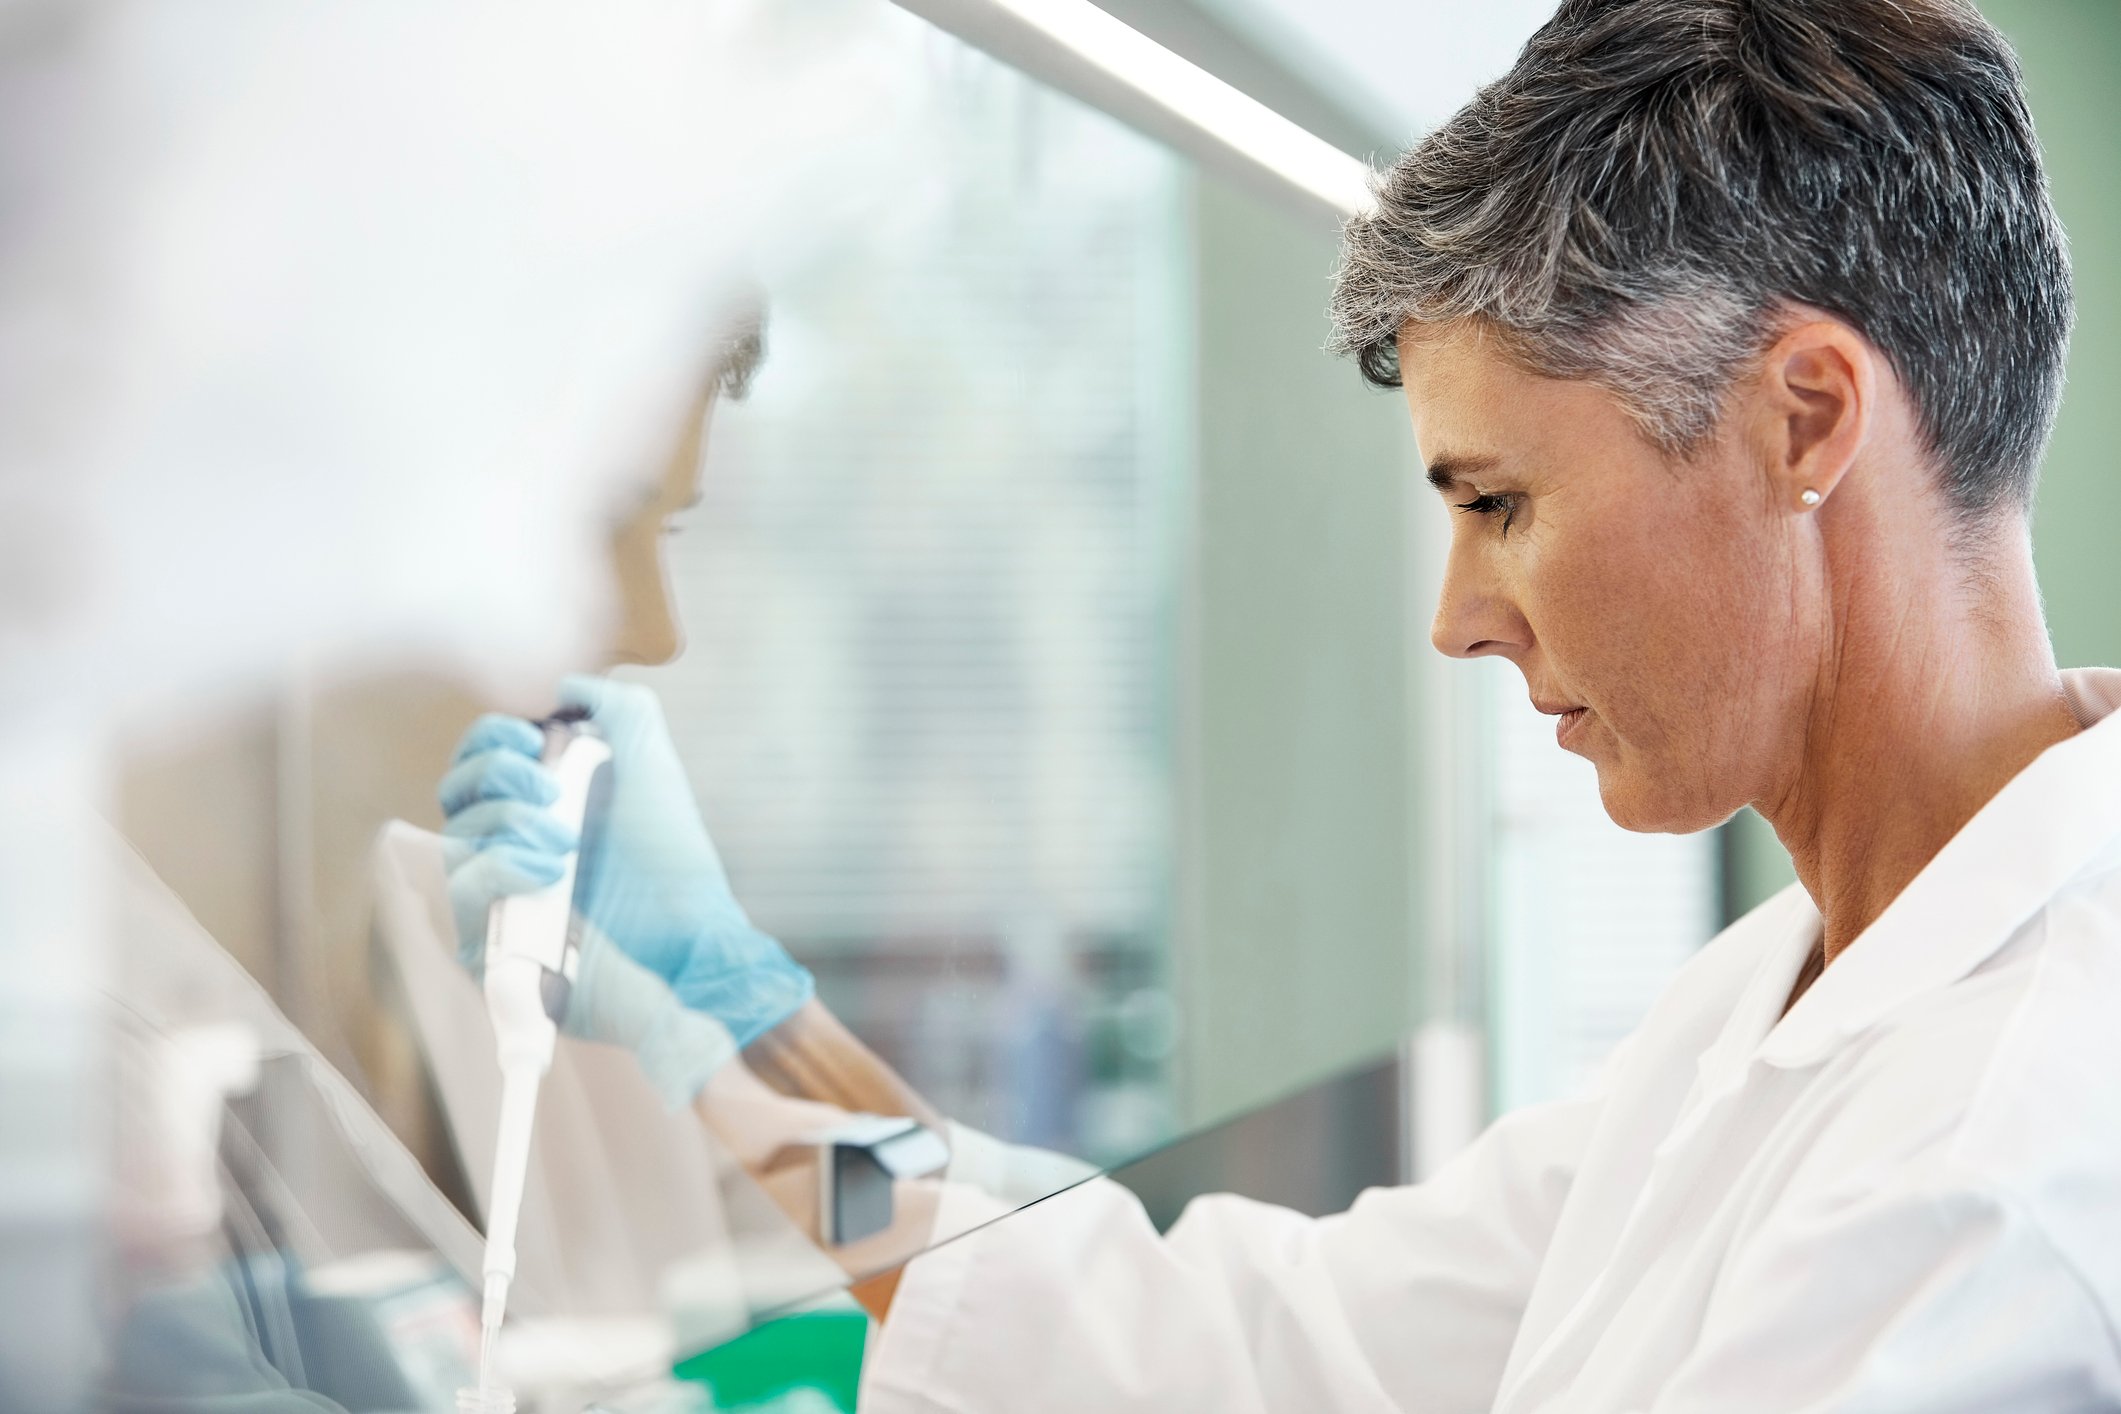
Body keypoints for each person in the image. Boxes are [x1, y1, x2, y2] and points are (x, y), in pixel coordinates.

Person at [446, 0, 2121, 1408]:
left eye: (1500, 503)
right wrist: (739, 1031)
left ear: (1805, 419)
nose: (1460, 621)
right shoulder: (1779, 1001)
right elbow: (1222, 1346)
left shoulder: (1994, 1170)